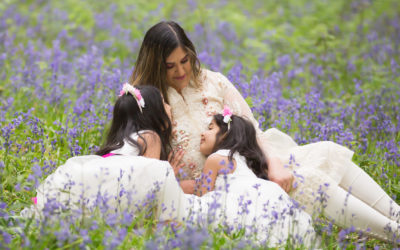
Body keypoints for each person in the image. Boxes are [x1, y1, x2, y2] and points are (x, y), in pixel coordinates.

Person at [130, 21, 400, 242]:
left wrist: (273, 165)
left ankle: (397, 217)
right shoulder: (149, 103)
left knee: (327, 152)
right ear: (156, 65)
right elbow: (141, 165)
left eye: (185, 61)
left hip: (254, 160)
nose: (181, 71)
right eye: (170, 66)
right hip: (220, 187)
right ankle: (395, 234)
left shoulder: (212, 81)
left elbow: (251, 127)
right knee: (314, 181)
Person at [22, 84, 317, 247]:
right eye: (164, 103)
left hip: (92, 178)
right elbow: (148, 184)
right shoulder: (150, 137)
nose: (169, 107)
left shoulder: (127, 140)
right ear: (152, 114)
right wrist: (171, 176)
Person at [196, 107, 400, 242]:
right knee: (314, 181)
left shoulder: (226, 160)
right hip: (256, 215)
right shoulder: (230, 161)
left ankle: (395, 221)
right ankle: (394, 229)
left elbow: (202, 199)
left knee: (325, 154)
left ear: (226, 134)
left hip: (261, 209)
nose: (202, 133)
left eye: (210, 128)